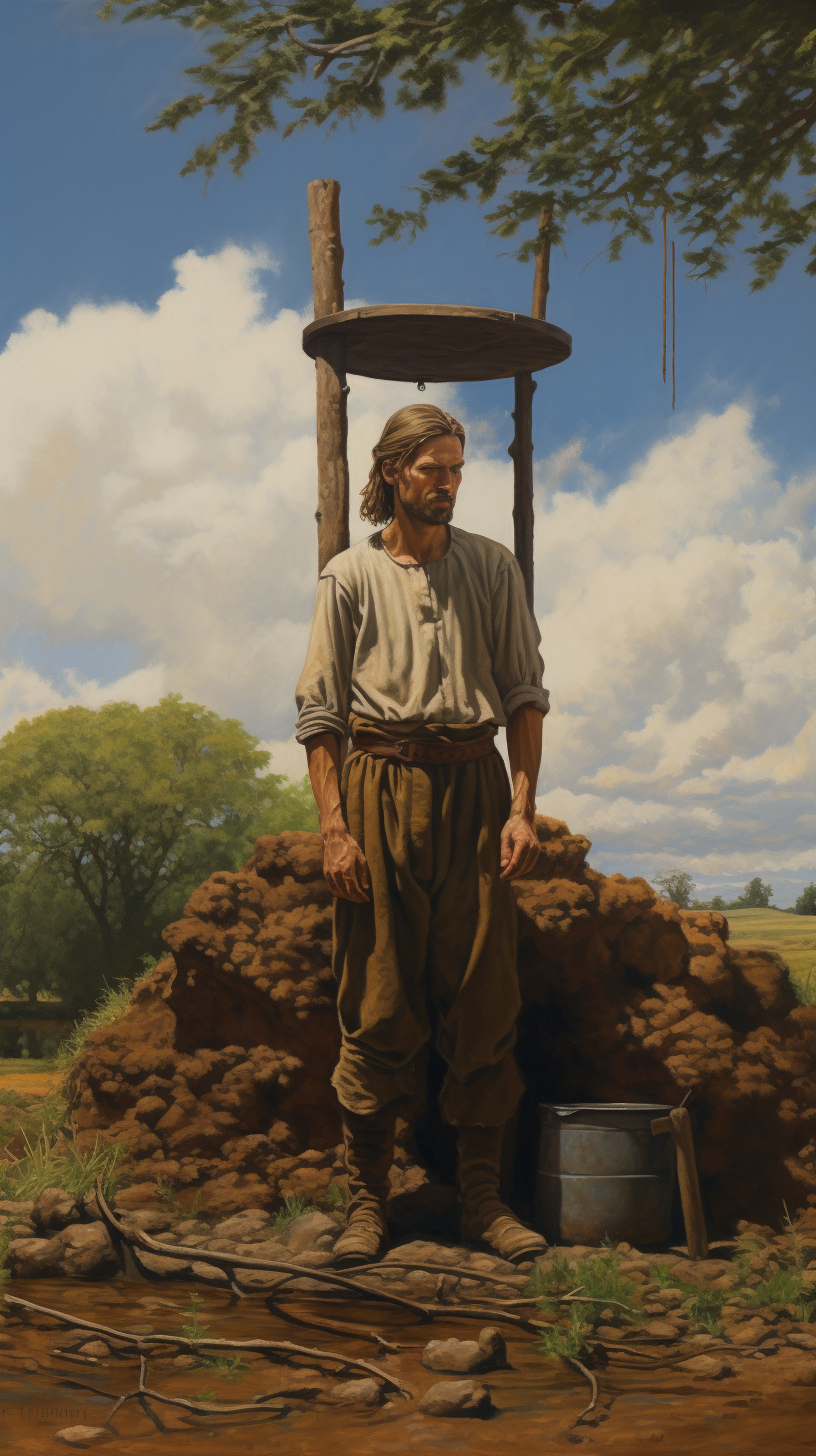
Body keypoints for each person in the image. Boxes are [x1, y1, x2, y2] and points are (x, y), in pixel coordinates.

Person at [296, 403, 549, 1267]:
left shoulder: (492, 568)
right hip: (378, 786)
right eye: (432, 469)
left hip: (476, 791)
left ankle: (483, 1201)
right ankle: (369, 1205)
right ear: (394, 472)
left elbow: (523, 692)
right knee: (377, 997)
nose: (447, 484)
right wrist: (335, 831)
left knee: (484, 994)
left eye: (456, 469)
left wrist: (520, 807)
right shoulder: (350, 576)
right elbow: (322, 714)